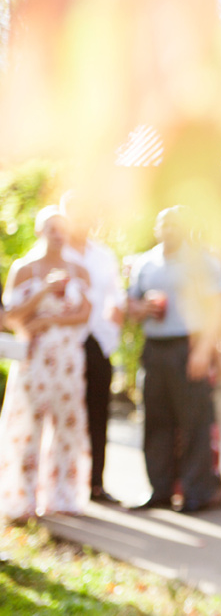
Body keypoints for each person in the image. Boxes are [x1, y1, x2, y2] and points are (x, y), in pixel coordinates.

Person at [127, 206, 221, 513]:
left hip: (189, 346)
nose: (169, 229)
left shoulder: (203, 263)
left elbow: (216, 311)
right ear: (156, 229)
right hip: (155, 347)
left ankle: (197, 493)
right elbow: (131, 305)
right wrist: (141, 308)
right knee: (156, 421)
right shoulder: (145, 263)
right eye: (164, 224)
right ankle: (160, 491)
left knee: (194, 421)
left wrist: (203, 351)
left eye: (175, 224)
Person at [0, 206, 93, 522]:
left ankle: (64, 496)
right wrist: (43, 291)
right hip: (34, 358)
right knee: (28, 426)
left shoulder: (79, 269)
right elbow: (11, 318)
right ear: (41, 231)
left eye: (62, 227)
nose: (58, 233)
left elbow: (86, 313)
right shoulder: (25, 269)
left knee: (68, 426)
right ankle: (21, 497)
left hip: (68, 358)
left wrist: (51, 318)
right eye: (51, 227)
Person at [61, 190, 125, 505]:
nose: (83, 220)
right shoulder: (55, 253)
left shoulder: (103, 255)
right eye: (76, 213)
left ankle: (96, 484)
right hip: (64, 345)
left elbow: (117, 295)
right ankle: (63, 482)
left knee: (99, 414)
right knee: (64, 413)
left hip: (98, 343)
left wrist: (114, 323)